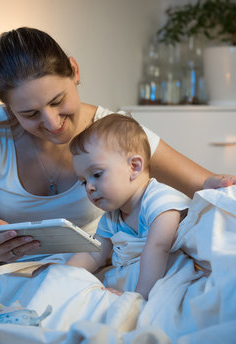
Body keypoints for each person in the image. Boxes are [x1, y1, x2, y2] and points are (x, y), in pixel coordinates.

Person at [0, 27, 236, 266]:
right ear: (8, 108)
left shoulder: (112, 130)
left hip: (94, 269)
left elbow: (202, 184)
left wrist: (218, 184)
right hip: (15, 273)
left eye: (58, 101)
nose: (53, 122)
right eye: (29, 114)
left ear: (74, 70)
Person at [66, 113, 191, 299]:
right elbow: (93, 255)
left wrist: (138, 297)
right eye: (83, 182)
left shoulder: (160, 201)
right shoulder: (111, 218)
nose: (89, 187)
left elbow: (158, 248)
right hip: (137, 280)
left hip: (164, 277)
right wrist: (63, 274)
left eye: (97, 174)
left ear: (134, 167)